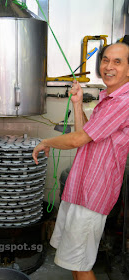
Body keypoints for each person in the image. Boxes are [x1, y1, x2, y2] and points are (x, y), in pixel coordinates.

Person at [32, 42, 129, 280]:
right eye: (105, 60)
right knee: (75, 262)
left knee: (81, 264)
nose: (108, 66)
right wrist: (77, 103)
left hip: (93, 194)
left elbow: (77, 140)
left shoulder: (123, 102)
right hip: (81, 189)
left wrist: (46, 142)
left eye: (117, 62)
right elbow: (86, 134)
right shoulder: (108, 98)